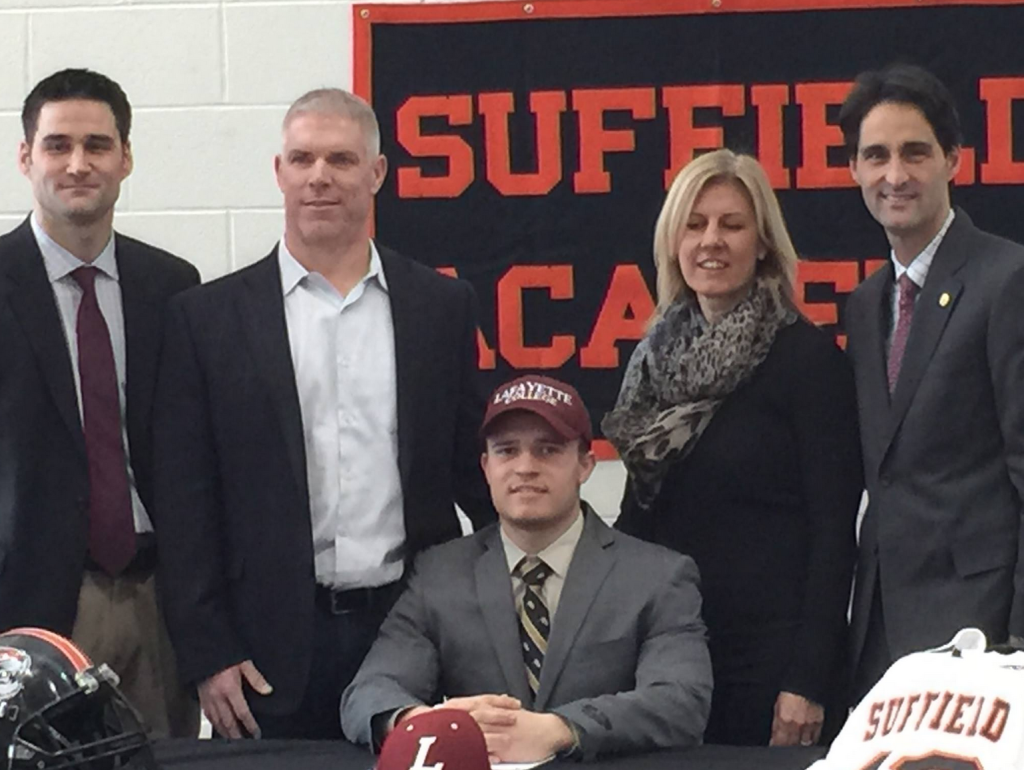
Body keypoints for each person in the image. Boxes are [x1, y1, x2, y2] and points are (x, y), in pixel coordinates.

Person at [152, 88, 494, 740]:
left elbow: (471, 470)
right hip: (264, 647)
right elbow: (184, 502)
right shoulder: (206, 319)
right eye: (302, 158)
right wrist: (207, 649)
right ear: (278, 172)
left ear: (377, 173)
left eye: (341, 158)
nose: (320, 177)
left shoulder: (440, 306)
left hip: (413, 626)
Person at [603, 148, 862, 747]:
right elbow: (637, 518)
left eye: (731, 224)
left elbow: (834, 534)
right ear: (673, 242)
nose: (710, 241)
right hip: (669, 660)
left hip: (773, 669)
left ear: (764, 242)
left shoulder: (808, 362)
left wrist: (809, 681)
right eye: (694, 225)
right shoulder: (652, 362)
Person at [341, 374, 712, 761]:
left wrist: (560, 730)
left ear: (585, 464)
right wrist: (422, 723)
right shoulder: (439, 573)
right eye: (506, 451)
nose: (525, 467)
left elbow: (682, 701)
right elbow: (369, 691)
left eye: (547, 450)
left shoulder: (658, 575)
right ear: (485, 466)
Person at [0, 68, 200, 737]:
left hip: (156, 600)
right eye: (57, 145)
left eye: (97, 144)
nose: (78, 163)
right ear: (26, 157)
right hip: (27, 603)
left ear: (126, 157)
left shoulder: (172, 286)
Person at [839, 63, 1024, 701]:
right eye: (876, 156)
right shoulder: (864, 307)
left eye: (915, 152)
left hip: (985, 635)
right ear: (854, 171)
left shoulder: (1008, 280)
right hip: (882, 638)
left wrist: (1021, 646)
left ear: (953, 160)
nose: (895, 175)